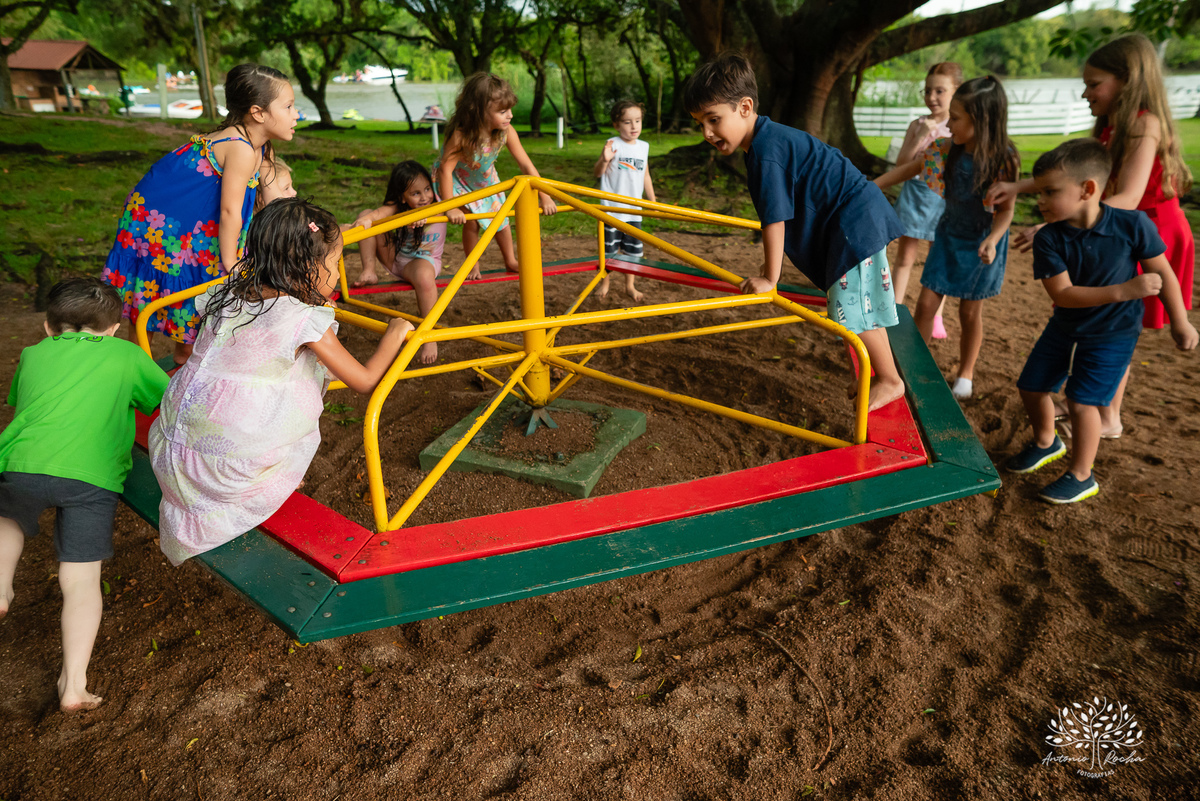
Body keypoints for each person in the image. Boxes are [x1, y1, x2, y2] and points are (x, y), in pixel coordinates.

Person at [150, 199, 414, 566]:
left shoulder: (229, 294)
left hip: (170, 451)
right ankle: (267, 480)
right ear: (307, 266)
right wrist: (395, 334)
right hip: (224, 472)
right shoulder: (303, 318)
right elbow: (365, 380)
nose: (338, 274)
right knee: (300, 406)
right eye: (335, 263)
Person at [989, 34, 1194, 437]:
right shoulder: (1113, 126)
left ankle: (1108, 416)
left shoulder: (1143, 123)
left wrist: (1056, 224)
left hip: (1139, 226)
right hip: (1107, 225)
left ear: (1127, 78)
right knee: (1106, 319)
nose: (1085, 93)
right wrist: (1019, 187)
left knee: (1119, 323)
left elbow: (1129, 197)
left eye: (1094, 83)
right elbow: (1075, 181)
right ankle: (1097, 405)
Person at [683, 53, 906, 412]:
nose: (707, 133)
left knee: (850, 307)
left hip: (854, 220)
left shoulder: (767, 151)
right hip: (855, 216)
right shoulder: (766, 142)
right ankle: (884, 375)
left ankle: (891, 380)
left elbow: (775, 218)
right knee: (860, 305)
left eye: (713, 119)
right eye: (700, 123)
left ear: (745, 107)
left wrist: (770, 278)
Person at [0, 278, 169, 711]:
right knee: (80, 581)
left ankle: (0, 587)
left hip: (23, 464)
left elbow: (22, 399)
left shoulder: (32, 354)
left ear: (46, 327)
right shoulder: (127, 354)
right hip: (92, 479)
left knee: (8, 520)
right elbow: (165, 400)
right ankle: (73, 685)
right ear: (114, 329)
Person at [1005, 140, 1196, 503]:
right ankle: (1047, 441)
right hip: (1065, 326)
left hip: (1113, 333)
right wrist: (1123, 290)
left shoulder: (1133, 224)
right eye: (1039, 191)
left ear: (1087, 189)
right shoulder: (1048, 238)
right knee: (1031, 386)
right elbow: (1062, 294)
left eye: (1050, 191)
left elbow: (1164, 273)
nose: (1039, 200)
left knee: (1081, 402)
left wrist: (1180, 321)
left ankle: (1081, 475)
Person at [102, 64, 300, 365]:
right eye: (288, 106)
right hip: (160, 216)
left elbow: (270, 195)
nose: (296, 114)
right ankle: (143, 360)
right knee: (170, 277)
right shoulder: (241, 147)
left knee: (196, 278)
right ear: (258, 113)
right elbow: (230, 209)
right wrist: (231, 260)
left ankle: (178, 355)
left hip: (188, 219)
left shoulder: (261, 146)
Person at [875, 76, 1019, 401]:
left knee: (969, 312)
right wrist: (873, 186)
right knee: (925, 304)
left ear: (981, 120)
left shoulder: (1003, 158)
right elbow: (912, 167)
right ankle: (915, 370)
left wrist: (993, 239)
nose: (949, 124)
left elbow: (1007, 211)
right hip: (949, 235)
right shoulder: (946, 149)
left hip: (982, 243)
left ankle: (965, 373)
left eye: (956, 118)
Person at [433, 72, 557, 279]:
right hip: (457, 181)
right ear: (478, 110)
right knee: (472, 222)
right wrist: (451, 206)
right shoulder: (461, 136)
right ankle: (472, 265)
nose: (510, 115)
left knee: (501, 219)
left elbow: (526, 164)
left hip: (486, 180)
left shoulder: (506, 132)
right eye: (502, 111)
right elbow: (446, 169)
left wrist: (545, 195)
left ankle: (510, 260)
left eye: (509, 109)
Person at [889, 62, 963, 339]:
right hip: (914, 197)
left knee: (938, 260)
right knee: (905, 257)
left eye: (940, 91)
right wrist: (922, 134)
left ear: (956, 92)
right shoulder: (917, 124)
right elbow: (901, 163)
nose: (932, 97)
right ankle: (895, 310)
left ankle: (935, 316)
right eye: (928, 90)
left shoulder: (957, 127)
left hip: (943, 201)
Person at [350, 160, 447, 364]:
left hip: (424, 262)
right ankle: (369, 270)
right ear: (402, 196)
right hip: (397, 257)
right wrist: (365, 221)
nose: (424, 197)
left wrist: (430, 213)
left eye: (427, 189)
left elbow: (452, 200)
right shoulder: (398, 206)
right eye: (415, 193)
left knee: (423, 275)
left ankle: (428, 334)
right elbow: (378, 214)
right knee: (366, 215)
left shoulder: (439, 202)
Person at [594, 100, 657, 302]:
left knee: (632, 252)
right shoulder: (613, 145)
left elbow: (646, 175)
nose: (634, 126)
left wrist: (652, 201)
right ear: (616, 125)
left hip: (634, 211)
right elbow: (597, 174)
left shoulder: (643, 147)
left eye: (637, 121)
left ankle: (630, 285)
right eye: (627, 122)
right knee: (609, 251)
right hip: (611, 210)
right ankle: (605, 283)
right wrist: (604, 159)